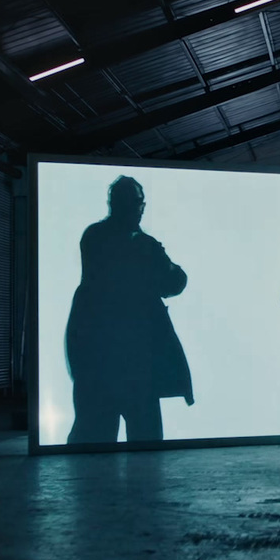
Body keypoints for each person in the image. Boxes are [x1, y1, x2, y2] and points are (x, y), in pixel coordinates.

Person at [66, 176, 192, 444]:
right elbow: (174, 281)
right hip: (131, 363)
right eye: (136, 203)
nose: (139, 209)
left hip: (104, 362)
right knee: (139, 441)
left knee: (96, 441)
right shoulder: (138, 245)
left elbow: (173, 281)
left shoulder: (98, 238)